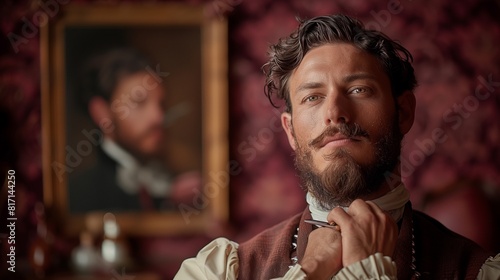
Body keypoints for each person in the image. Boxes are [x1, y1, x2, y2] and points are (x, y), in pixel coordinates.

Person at [174, 14, 500, 279]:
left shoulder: (481, 273)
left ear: (403, 113)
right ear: (289, 130)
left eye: (358, 90)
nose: (334, 114)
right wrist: (312, 271)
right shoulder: (217, 272)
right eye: (313, 97)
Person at [69, 48, 200, 213]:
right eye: (139, 102)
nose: (158, 117)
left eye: (161, 104)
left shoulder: (168, 178)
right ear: (102, 113)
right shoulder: (81, 194)